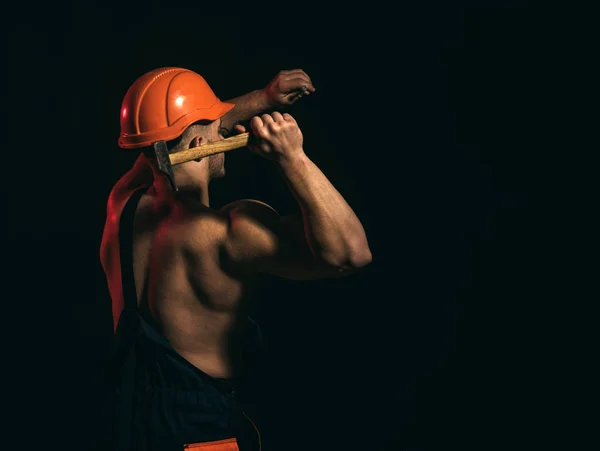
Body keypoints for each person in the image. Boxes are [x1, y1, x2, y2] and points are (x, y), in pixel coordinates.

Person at [99, 66, 372, 451]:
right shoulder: (228, 232)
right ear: (199, 146)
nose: (225, 129)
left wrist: (265, 97)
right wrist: (293, 158)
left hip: (132, 424)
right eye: (217, 128)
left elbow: (171, 136)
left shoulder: (121, 204)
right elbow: (351, 254)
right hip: (201, 433)